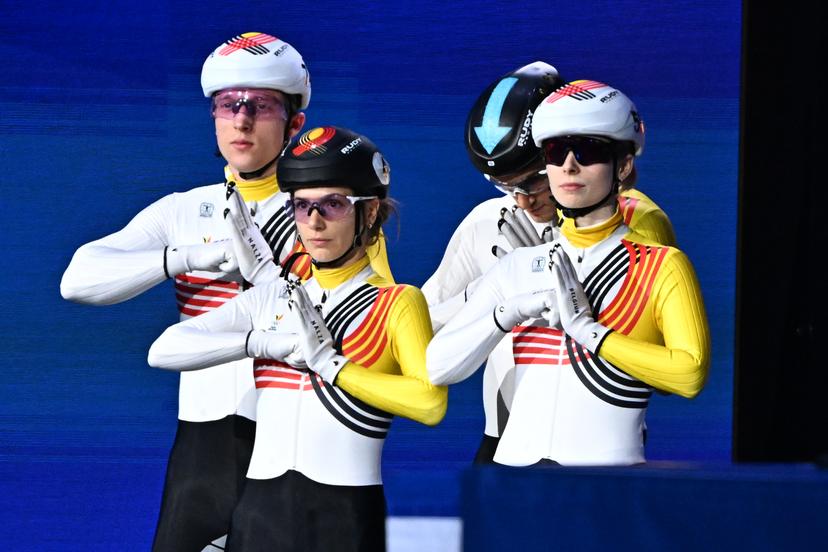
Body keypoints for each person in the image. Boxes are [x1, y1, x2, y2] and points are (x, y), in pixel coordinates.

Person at [59, 32, 391, 551]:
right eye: (227, 104)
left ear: (295, 122)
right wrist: (186, 257)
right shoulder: (184, 210)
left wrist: (271, 279)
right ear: (212, 116)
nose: (240, 119)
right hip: (205, 442)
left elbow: (373, 325)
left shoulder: (329, 209)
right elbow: (78, 279)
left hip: (299, 439)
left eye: (260, 106)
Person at [148, 126, 447, 552]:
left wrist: (331, 364)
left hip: (345, 518)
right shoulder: (273, 296)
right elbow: (164, 350)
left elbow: (431, 403)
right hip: (257, 515)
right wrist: (258, 344)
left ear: (371, 212)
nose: (315, 221)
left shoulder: (398, 302)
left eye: (334, 205)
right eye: (302, 207)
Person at [426, 80, 709, 467]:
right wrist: (485, 299)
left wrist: (590, 330)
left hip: (600, 445)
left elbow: (668, 361)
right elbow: (427, 335)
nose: (523, 201)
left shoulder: (642, 223)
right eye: (506, 187)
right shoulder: (490, 220)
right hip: (505, 442)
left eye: (531, 181)